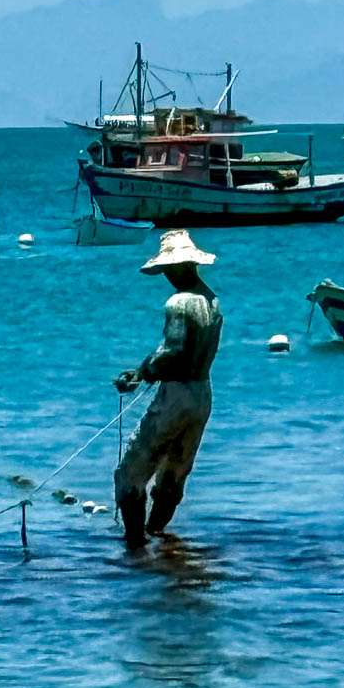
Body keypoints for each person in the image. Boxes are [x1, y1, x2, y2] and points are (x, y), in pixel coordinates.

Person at [113, 230, 223, 548]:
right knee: (175, 471)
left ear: (177, 267)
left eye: (166, 270)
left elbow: (173, 350)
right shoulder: (212, 300)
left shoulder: (179, 303)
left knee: (130, 473)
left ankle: (135, 545)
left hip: (175, 396)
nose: (166, 276)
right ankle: (160, 536)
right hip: (202, 393)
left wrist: (141, 372)